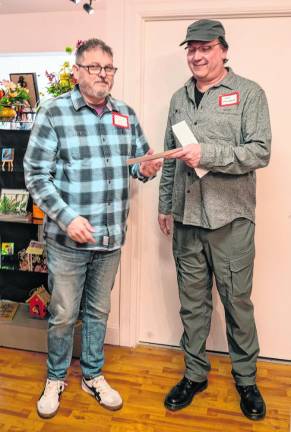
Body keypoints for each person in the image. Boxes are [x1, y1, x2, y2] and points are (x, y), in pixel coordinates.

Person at [24, 38, 162, 419]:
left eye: (109, 68)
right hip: (67, 242)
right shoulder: (53, 113)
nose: (104, 75)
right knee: (65, 314)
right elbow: (36, 176)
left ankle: (92, 375)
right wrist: (68, 218)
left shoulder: (126, 114)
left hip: (111, 237)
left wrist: (145, 169)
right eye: (95, 67)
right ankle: (55, 378)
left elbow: (138, 162)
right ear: (77, 72)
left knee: (99, 312)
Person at [158, 19, 271, 420]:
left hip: (231, 223)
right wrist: (165, 204)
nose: (197, 56)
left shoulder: (249, 93)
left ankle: (246, 379)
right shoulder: (178, 98)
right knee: (192, 306)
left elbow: (260, 152)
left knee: (237, 304)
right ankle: (195, 374)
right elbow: (170, 156)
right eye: (191, 48)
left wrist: (208, 153)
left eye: (205, 48)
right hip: (186, 220)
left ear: (223, 50)